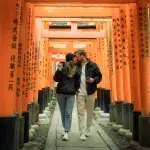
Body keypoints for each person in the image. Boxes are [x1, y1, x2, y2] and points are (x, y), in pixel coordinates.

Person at [74, 49, 102, 141]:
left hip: (90, 92)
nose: (76, 58)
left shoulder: (93, 65)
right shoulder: (76, 65)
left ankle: (88, 129)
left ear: (83, 55)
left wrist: (93, 80)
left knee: (89, 112)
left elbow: (99, 76)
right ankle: (82, 132)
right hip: (79, 92)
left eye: (77, 56)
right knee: (80, 112)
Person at [53, 53, 80, 141]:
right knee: (63, 112)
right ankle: (66, 130)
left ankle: (66, 131)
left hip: (71, 94)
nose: (75, 60)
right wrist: (58, 70)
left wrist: (76, 89)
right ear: (70, 59)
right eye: (74, 58)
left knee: (68, 113)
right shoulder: (62, 68)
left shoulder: (76, 69)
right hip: (61, 93)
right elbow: (56, 79)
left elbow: (77, 82)